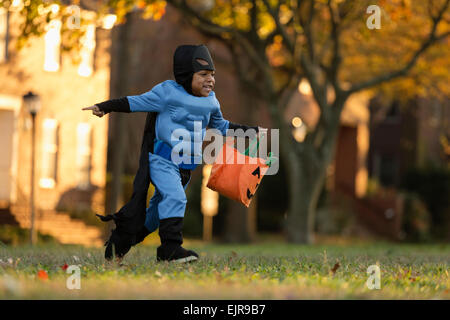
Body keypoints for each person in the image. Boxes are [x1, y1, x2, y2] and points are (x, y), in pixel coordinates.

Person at [83, 44, 262, 263]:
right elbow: (137, 102)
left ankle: (116, 247)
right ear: (187, 75)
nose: (210, 80)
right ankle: (170, 249)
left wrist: (249, 132)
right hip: (163, 160)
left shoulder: (212, 101)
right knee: (176, 198)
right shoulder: (167, 93)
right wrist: (106, 106)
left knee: (154, 218)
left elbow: (221, 127)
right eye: (204, 74)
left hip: (186, 168)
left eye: (212, 75)